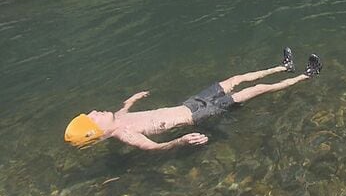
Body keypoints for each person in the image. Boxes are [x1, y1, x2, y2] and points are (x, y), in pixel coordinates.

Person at [64, 49, 322, 151]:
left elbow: (124, 108)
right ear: (95, 132)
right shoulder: (125, 133)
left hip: (190, 103)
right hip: (198, 115)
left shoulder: (117, 118)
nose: (94, 111)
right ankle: (306, 76)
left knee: (234, 79)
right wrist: (181, 140)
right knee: (255, 90)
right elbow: (153, 147)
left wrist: (133, 98)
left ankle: (282, 67)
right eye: (93, 117)